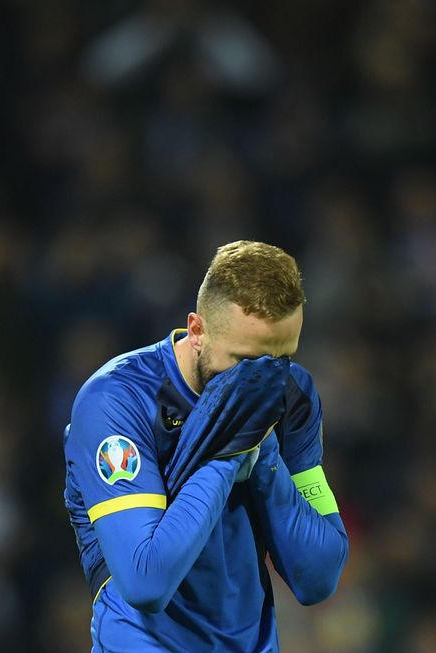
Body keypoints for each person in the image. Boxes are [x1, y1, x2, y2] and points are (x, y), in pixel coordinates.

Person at [62, 240, 349, 652]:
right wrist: (226, 454)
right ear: (197, 330)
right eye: (245, 361)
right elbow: (146, 580)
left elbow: (319, 577)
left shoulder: (293, 394)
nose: (265, 381)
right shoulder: (119, 398)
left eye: (282, 358)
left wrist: (266, 458)